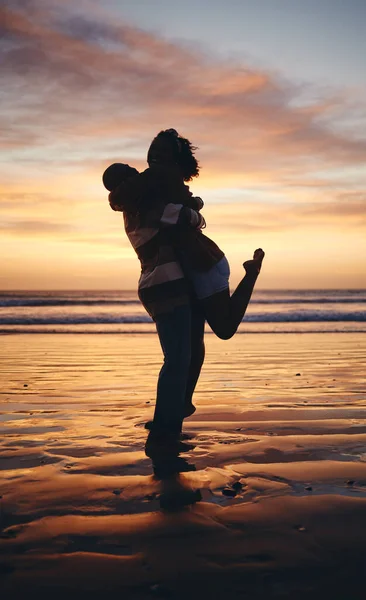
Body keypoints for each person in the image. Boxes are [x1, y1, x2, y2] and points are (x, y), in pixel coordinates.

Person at [105, 129, 264, 445]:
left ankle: (177, 409)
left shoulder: (137, 203)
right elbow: (186, 218)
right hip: (166, 285)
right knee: (179, 356)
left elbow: (182, 213)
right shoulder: (145, 204)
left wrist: (187, 201)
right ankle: (166, 424)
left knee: (191, 349)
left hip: (175, 282)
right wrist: (193, 204)